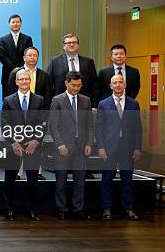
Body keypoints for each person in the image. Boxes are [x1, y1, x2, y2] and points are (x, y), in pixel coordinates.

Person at [1, 69, 46, 221]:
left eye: (27, 79)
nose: (24, 82)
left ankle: (32, 210)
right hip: (14, 146)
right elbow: (4, 124)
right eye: (21, 79)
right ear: (16, 82)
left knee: (33, 181)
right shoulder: (8, 101)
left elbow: (43, 123)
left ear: (30, 81)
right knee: (10, 181)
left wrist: (36, 141)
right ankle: (9, 210)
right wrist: (13, 142)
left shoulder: (39, 100)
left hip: (33, 146)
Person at [49, 71, 94, 220]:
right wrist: (60, 145)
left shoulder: (86, 100)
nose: (76, 88)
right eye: (73, 85)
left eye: (79, 85)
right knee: (61, 181)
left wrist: (89, 143)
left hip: (81, 147)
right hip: (63, 148)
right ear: (66, 83)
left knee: (80, 181)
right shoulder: (57, 100)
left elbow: (90, 125)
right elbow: (53, 126)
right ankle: (61, 209)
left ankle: (78, 208)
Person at [96, 74, 142, 220]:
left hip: (128, 147)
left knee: (127, 179)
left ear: (125, 84)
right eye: (114, 83)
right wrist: (101, 147)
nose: (117, 85)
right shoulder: (103, 104)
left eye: (120, 82)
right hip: (109, 147)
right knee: (107, 179)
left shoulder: (133, 104)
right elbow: (99, 128)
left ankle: (128, 208)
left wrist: (137, 147)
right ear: (110, 86)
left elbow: (138, 128)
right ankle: (107, 208)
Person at [47, 33, 99, 107]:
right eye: (68, 43)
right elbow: (49, 85)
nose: (71, 45)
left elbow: (94, 86)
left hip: (84, 104)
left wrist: (94, 105)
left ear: (78, 45)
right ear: (64, 46)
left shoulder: (88, 62)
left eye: (74, 42)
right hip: (61, 105)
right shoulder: (54, 62)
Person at [0, 14, 33, 98]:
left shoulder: (27, 39)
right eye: (13, 22)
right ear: (9, 24)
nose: (15, 24)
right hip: (7, 74)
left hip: (24, 74)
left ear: (20, 23)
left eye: (17, 22)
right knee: (8, 101)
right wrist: (15, 68)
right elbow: (2, 57)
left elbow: (28, 55)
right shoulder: (3, 39)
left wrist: (20, 68)